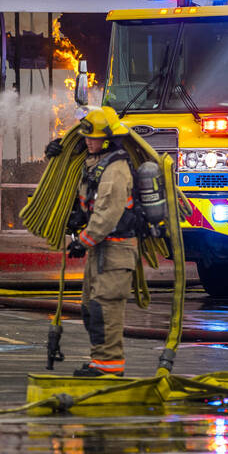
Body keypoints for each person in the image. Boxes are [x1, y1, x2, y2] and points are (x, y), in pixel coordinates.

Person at [57, 107, 138, 377]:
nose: (87, 141)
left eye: (93, 138)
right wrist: (76, 217)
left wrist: (83, 240)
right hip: (101, 251)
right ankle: (99, 361)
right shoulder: (96, 165)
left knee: (106, 310)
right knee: (91, 309)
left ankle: (110, 366)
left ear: (108, 139)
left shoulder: (116, 169)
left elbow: (108, 212)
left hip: (115, 251)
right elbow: (89, 202)